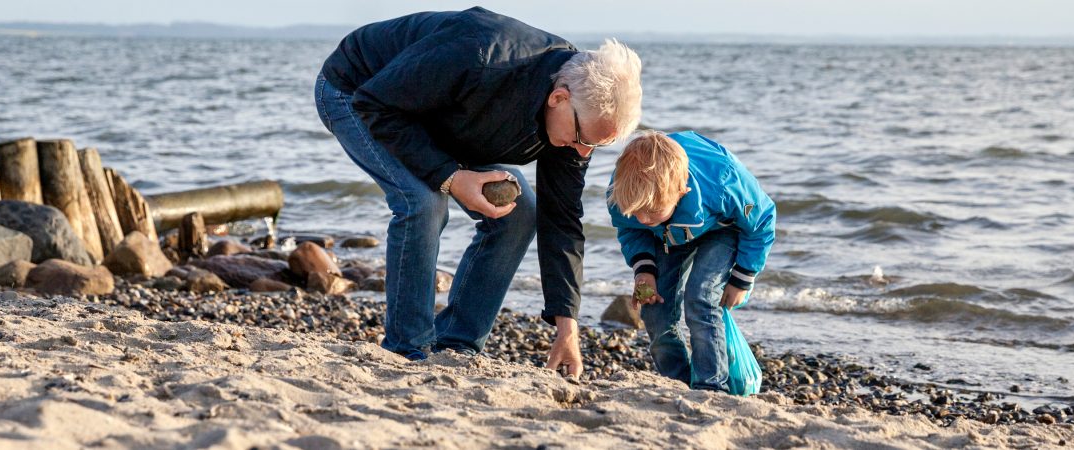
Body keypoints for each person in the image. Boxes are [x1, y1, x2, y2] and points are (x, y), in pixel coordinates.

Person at [313, 7, 643, 377]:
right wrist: (452, 178)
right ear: (558, 99)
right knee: (424, 202)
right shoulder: (480, 55)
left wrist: (567, 327)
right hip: (358, 91)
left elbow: (562, 219)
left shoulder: (577, 124)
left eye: (596, 146)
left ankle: (456, 344)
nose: (583, 153)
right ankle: (408, 349)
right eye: (583, 139)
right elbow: (376, 104)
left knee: (520, 214)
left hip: (440, 116)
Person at [606, 130, 776, 391]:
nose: (641, 217)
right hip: (663, 235)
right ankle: (679, 382)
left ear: (681, 191)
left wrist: (742, 278)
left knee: (701, 298)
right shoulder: (623, 192)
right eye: (635, 211)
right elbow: (632, 229)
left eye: (649, 210)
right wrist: (643, 269)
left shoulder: (722, 180)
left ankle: (711, 386)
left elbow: (762, 221)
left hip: (720, 228)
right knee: (653, 307)